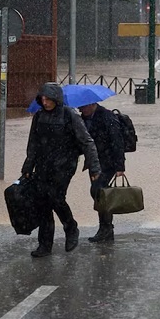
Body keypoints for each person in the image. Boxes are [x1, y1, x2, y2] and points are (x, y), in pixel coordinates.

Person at [22, 82, 102, 257]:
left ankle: (71, 227)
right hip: (43, 166)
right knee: (43, 203)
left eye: (48, 99)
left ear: (56, 99)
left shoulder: (69, 115)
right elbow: (33, 144)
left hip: (64, 166)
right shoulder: (39, 116)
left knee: (56, 197)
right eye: (42, 98)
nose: (45, 102)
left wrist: (94, 167)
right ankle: (44, 244)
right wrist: (28, 166)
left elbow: (87, 142)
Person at [77, 102, 125, 243]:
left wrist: (120, 166)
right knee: (99, 195)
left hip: (107, 163)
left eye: (83, 107)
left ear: (92, 105)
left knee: (98, 192)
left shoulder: (107, 117)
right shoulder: (84, 119)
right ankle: (105, 228)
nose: (80, 109)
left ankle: (106, 228)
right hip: (94, 163)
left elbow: (117, 141)